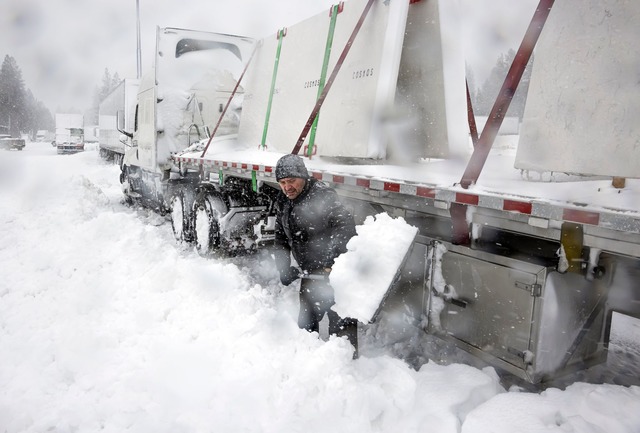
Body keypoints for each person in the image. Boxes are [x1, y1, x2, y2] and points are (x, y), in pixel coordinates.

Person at [272, 154, 359, 356]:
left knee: (342, 330)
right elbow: (280, 239)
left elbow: (345, 228)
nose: (287, 187)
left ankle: (347, 371)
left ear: (303, 177)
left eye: (292, 180)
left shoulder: (323, 197)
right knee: (305, 329)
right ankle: (309, 366)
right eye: (283, 182)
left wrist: (329, 263)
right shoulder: (283, 202)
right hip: (311, 275)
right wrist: (283, 268)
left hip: (335, 276)